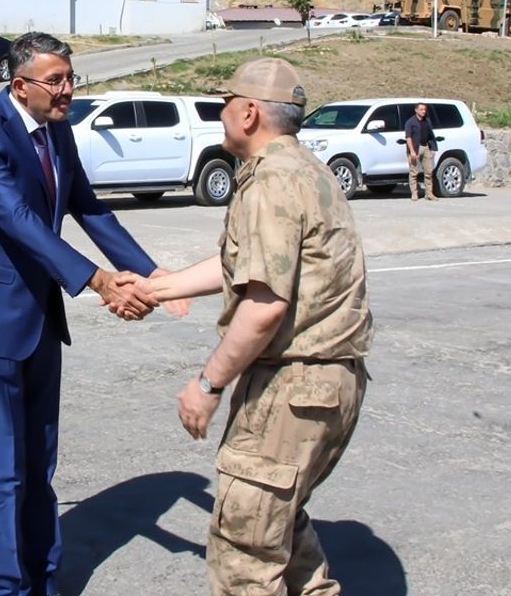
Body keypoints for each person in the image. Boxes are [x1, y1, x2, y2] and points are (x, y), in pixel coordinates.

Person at [0, 32, 167, 596]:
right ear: (20, 86)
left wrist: (151, 275)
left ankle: (44, 579)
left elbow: (87, 206)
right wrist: (97, 279)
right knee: (4, 469)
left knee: (40, 461)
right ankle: (7, 588)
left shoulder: (58, 130)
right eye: (57, 81)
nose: (69, 89)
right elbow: (16, 218)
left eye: (72, 77)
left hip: (41, 315)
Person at [142, 58, 372, 595]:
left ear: (247, 113)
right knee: (282, 539)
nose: (220, 115)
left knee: (244, 555)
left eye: (224, 103)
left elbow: (265, 304)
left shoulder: (270, 182)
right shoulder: (303, 170)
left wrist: (207, 385)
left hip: (293, 389)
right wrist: (155, 289)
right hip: (329, 386)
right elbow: (238, 265)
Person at [405, 102, 439, 201]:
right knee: (413, 172)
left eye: (425, 109)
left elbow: (431, 136)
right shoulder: (410, 122)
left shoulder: (427, 121)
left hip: (426, 147)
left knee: (429, 172)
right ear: (416, 110)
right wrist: (412, 151)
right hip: (415, 148)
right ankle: (414, 193)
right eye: (421, 109)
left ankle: (429, 193)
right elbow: (408, 137)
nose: (423, 111)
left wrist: (432, 148)